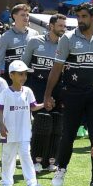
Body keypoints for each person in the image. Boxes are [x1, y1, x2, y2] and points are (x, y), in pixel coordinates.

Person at [43, 3, 93, 186]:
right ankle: (61, 170)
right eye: (78, 17)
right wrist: (47, 95)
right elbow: (56, 68)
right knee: (68, 135)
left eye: (84, 17)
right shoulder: (67, 38)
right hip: (72, 94)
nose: (80, 20)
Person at [24, 14, 66, 172]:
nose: (63, 29)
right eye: (60, 26)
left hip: (58, 88)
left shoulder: (67, 44)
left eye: (64, 26)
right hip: (38, 86)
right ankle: (36, 160)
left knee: (57, 124)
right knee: (41, 123)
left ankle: (51, 160)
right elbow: (23, 65)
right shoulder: (35, 41)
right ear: (51, 26)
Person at [0, 60, 44, 186]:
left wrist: (44, 104)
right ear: (11, 75)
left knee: (26, 155)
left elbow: (33, 107)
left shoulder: (28, 91)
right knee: (8, 157)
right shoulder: (5, 93)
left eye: (25, 74)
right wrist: (1, 125)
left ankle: (31, 184)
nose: (23, 77)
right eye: (20, 74)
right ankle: (6, 183)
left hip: (24, 132)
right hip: (8, 132)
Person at [0, 4, 37, 80]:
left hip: (31, 77)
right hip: (12, 78)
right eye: (22, 15)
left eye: (27, 15)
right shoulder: (6, 36)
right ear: (14, 16)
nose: (26, 18)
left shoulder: (34, 34)